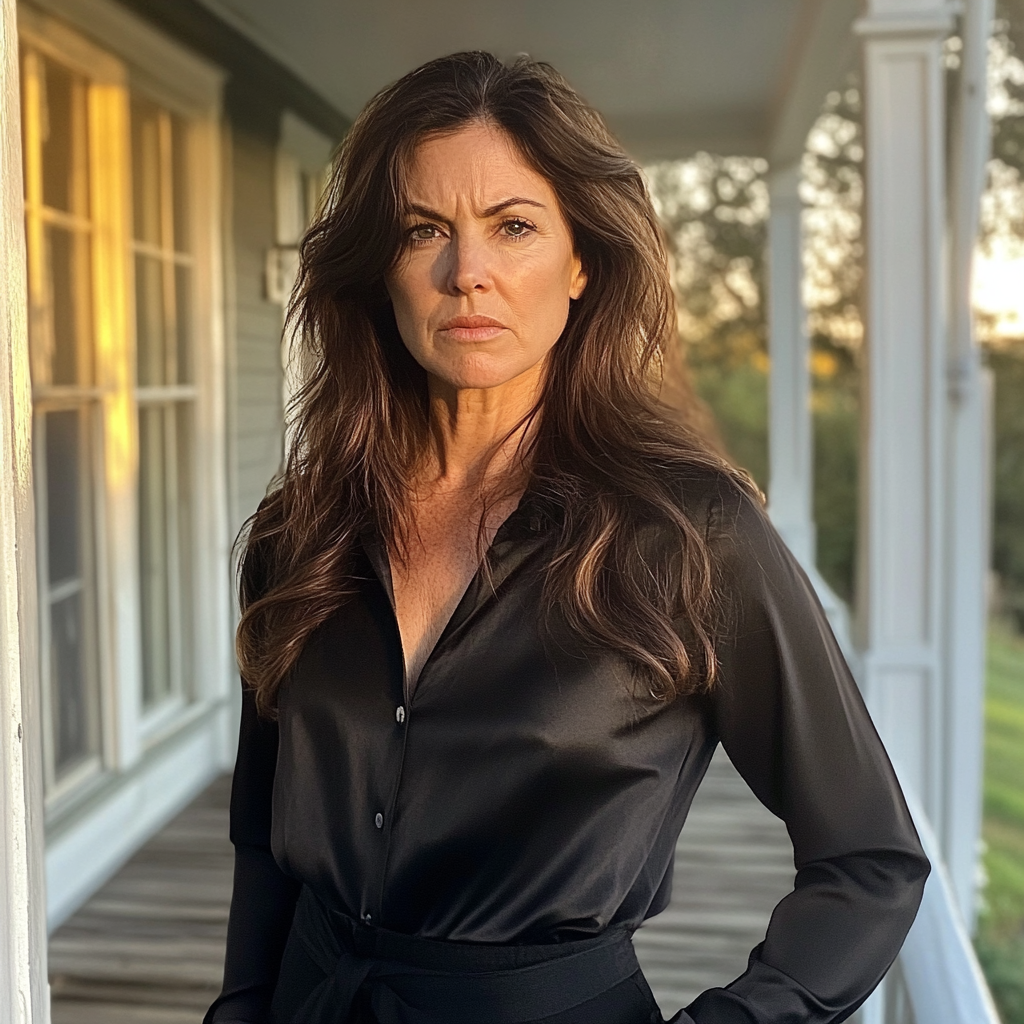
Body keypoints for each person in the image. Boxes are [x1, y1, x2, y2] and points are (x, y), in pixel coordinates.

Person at [204, 51, 929, 1024]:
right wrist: (243, 1006)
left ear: (580, 258)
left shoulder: (688, 533)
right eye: (425, 230)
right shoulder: (302, 532)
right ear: (381, 267)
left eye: (512, 226)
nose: (469, 275)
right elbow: (263, 837)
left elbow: (868, 858)